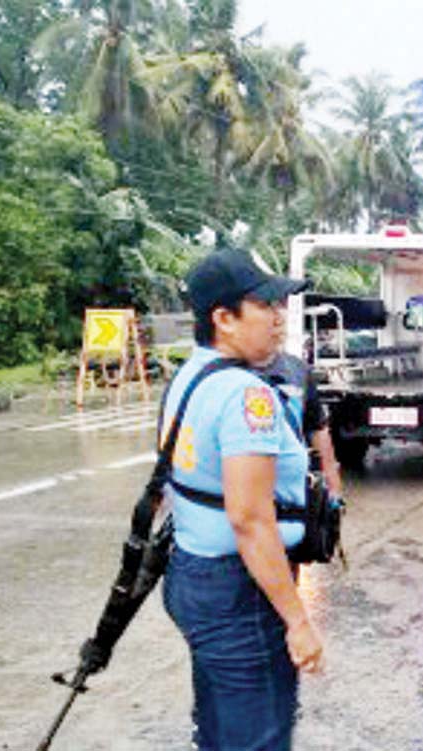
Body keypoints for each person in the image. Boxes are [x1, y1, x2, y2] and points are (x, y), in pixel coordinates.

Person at [161, 248, 322, 750]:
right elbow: (251, 520)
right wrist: (297, 620)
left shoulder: (191, 375)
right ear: (223, 319)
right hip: (241, 593)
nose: (279, 319)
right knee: (258, 737)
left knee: (219, 727)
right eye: (265, 306)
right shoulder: (245, 396)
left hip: (193, 574)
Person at [263, 350, 344, 499]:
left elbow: (317, 429)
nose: (277, 326)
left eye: (281, 324)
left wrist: (334, 491)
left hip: (292, 498)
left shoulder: (297, 369)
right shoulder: (222, 373)